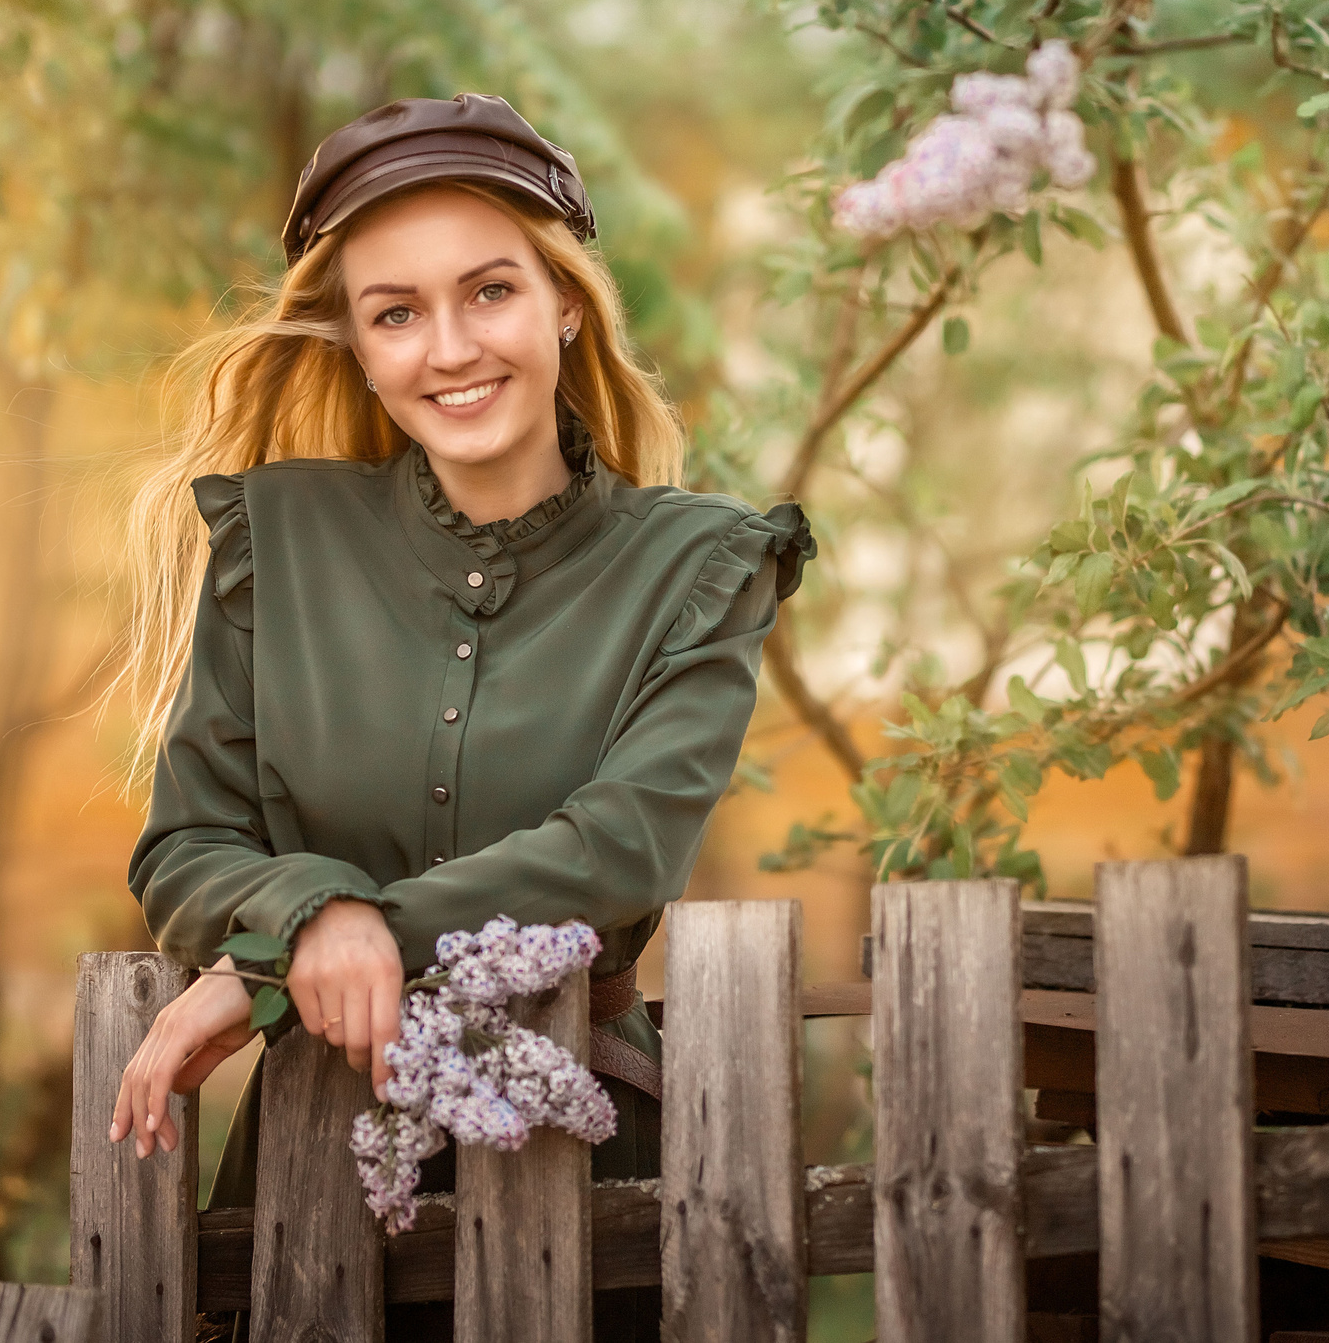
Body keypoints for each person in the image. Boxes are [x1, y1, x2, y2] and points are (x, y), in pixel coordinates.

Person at [103, 94, 811, 1336]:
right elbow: (183, 849)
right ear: (361, 348)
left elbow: (619, 851)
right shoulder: (276, 539)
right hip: (306, 1173)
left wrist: (317, 942)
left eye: (490, 292)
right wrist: (302, 915)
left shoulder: (703, 568)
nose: (448, 349)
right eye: (396, 314)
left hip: (586, 1166)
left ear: (566, 302)